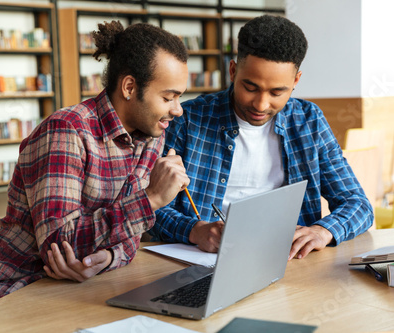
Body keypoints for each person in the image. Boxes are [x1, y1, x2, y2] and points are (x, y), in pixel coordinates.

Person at [0, 21, 190, 316]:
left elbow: (129, 238)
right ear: (130, 87)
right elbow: (60, 244)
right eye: (168, 97)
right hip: (14, 290)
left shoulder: (152, 139)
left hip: (84, 286)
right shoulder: (66, 132)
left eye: (179, 96)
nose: (177, 109)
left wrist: (106, 257)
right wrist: (152, 199)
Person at [149, 15, 373, 259]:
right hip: (204, 263)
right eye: (250, 87)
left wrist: (323, 231)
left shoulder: (310, 121)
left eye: (277, 92)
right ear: (233, 71)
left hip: (290, 263)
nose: (261, 104)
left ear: (296, 80)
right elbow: (151, 209)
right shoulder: (187, 119)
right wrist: (195, 230)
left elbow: (358, 204)